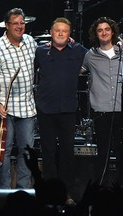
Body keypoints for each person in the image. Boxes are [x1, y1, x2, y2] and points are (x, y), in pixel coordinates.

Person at [34, 17, 88, 201]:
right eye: (57, 30)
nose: (60, 33)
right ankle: (49, 193)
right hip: (45, 108)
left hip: (67, 109)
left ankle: (67, 192)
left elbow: (95, 59)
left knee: (67, 152)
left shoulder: (78, 50)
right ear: (51, 32)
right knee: (48, 152)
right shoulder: (40, 51)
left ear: (69, 34)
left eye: (64, 31)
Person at [0, 8, 37, 189]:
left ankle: (25, 192)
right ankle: (3, 192)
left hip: (28, 109)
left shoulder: (30, 42)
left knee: (27, 152)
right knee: (3, 153)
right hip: (6, 111)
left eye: (22, 23)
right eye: (16, 23)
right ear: (7, 26)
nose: (20, 27)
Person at [81, 17, 123, 188]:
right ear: (96, 34)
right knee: (102, 153)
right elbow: (78, 71)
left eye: (107, 29)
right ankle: (100, 191)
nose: (104, 32)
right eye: (100, 30)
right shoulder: (90, 55)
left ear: (112, 32)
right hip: (102, 111)